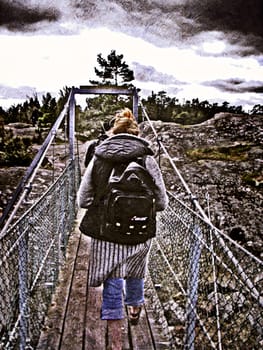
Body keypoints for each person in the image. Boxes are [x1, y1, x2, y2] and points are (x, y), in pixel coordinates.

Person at [77, 108, 168, 349]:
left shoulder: (99, 157)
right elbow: (162, 202)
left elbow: (83, 201)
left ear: (113, 132)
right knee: (136, 269)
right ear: (135, 132)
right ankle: (135, 305)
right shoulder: (147, 158)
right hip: (140, 232)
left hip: (106, 234)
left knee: (113, 278)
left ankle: (115, 340)